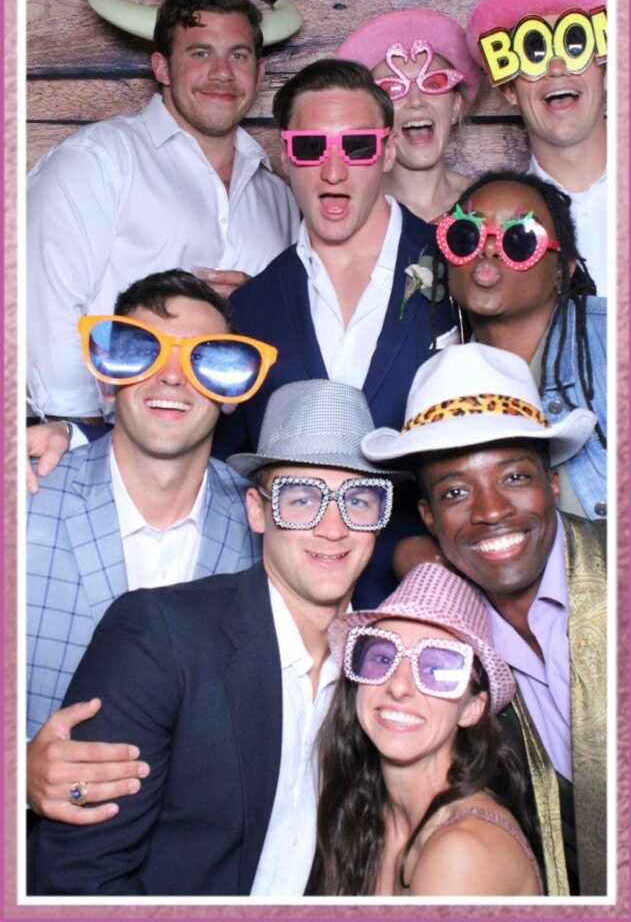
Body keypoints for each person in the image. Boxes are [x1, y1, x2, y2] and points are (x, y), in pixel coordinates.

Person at [28, 379, 400, 895]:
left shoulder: (385, 672)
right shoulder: (158, 638)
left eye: (357, 500)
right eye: (300, 499)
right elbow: (78, 878)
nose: (332, 527)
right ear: (257, 511)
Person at [27, 268, 276, 823]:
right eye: (142, 352)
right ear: (106, 379)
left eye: (204, 359)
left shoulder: (269, 530)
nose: (171, 376)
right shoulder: (24, 501)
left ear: (232, 391)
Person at [362, 342, 607, 895]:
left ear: (554, 485)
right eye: (455, 491)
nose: (491, 510)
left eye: (515, 477)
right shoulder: (452, 644)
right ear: (428, 517)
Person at [217, 57, 458, 606]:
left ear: (388, 151)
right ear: (285, 156)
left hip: (425, 598)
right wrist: (78, 436)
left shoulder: (461, 268)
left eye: (356, 147)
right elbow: (212, 459)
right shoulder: (252, 309)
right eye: (310, 148)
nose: (333, 171)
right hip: (290, 607)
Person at [27, 0, 300, 423]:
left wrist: (256, 303)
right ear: (161, 67)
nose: (222, 73)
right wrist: (83, 441)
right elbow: (46, 307)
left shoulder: (279, 196)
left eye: (239, 55)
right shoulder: (97, 161)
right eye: (199, 53)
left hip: (236, 459)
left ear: (260, 73)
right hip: (105, 443)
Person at [309, 563, 543, 896]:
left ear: (472, 708)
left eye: (436, 667)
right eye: (382, 657)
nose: (400, 686)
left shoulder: (461, 853)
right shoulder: (366, 816)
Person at [429, 169, 606, 520]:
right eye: (467, 235)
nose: (490, 249)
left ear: (564, 270)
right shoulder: (444, 382)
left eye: (520, 239)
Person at [466, 0, 607, 294]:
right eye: (535, 53)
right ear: (508, 90)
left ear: (605, 68)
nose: (556, 69)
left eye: (575, 46)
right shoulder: (489, 231)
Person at [336, 8, 480, 222]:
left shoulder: (487, 202)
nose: (416, 101)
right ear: (371, 118)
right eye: (392, 89)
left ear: (456, 107)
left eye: (433, 83)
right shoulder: (352, 214)